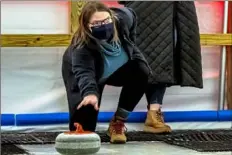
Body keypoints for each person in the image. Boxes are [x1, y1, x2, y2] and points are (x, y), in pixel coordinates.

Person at [62, 2, 150, 144]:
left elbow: (132, 14)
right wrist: (90, 93)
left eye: (106, 20)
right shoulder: (81, 47)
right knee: (84, 131)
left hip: (115, 67)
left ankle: (118, 122)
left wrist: (131, 43)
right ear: (87, 26)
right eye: (97, 23)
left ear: (112, 17)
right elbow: (84, 73)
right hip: (88, 74)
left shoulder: (122, 19)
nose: (104, 25)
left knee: (142, 71)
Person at [118, 1, 203, 133]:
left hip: (159, 9)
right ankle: (124, 119)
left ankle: (152, 113)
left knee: (161, 57)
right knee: (151, 59)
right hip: (148, 10)